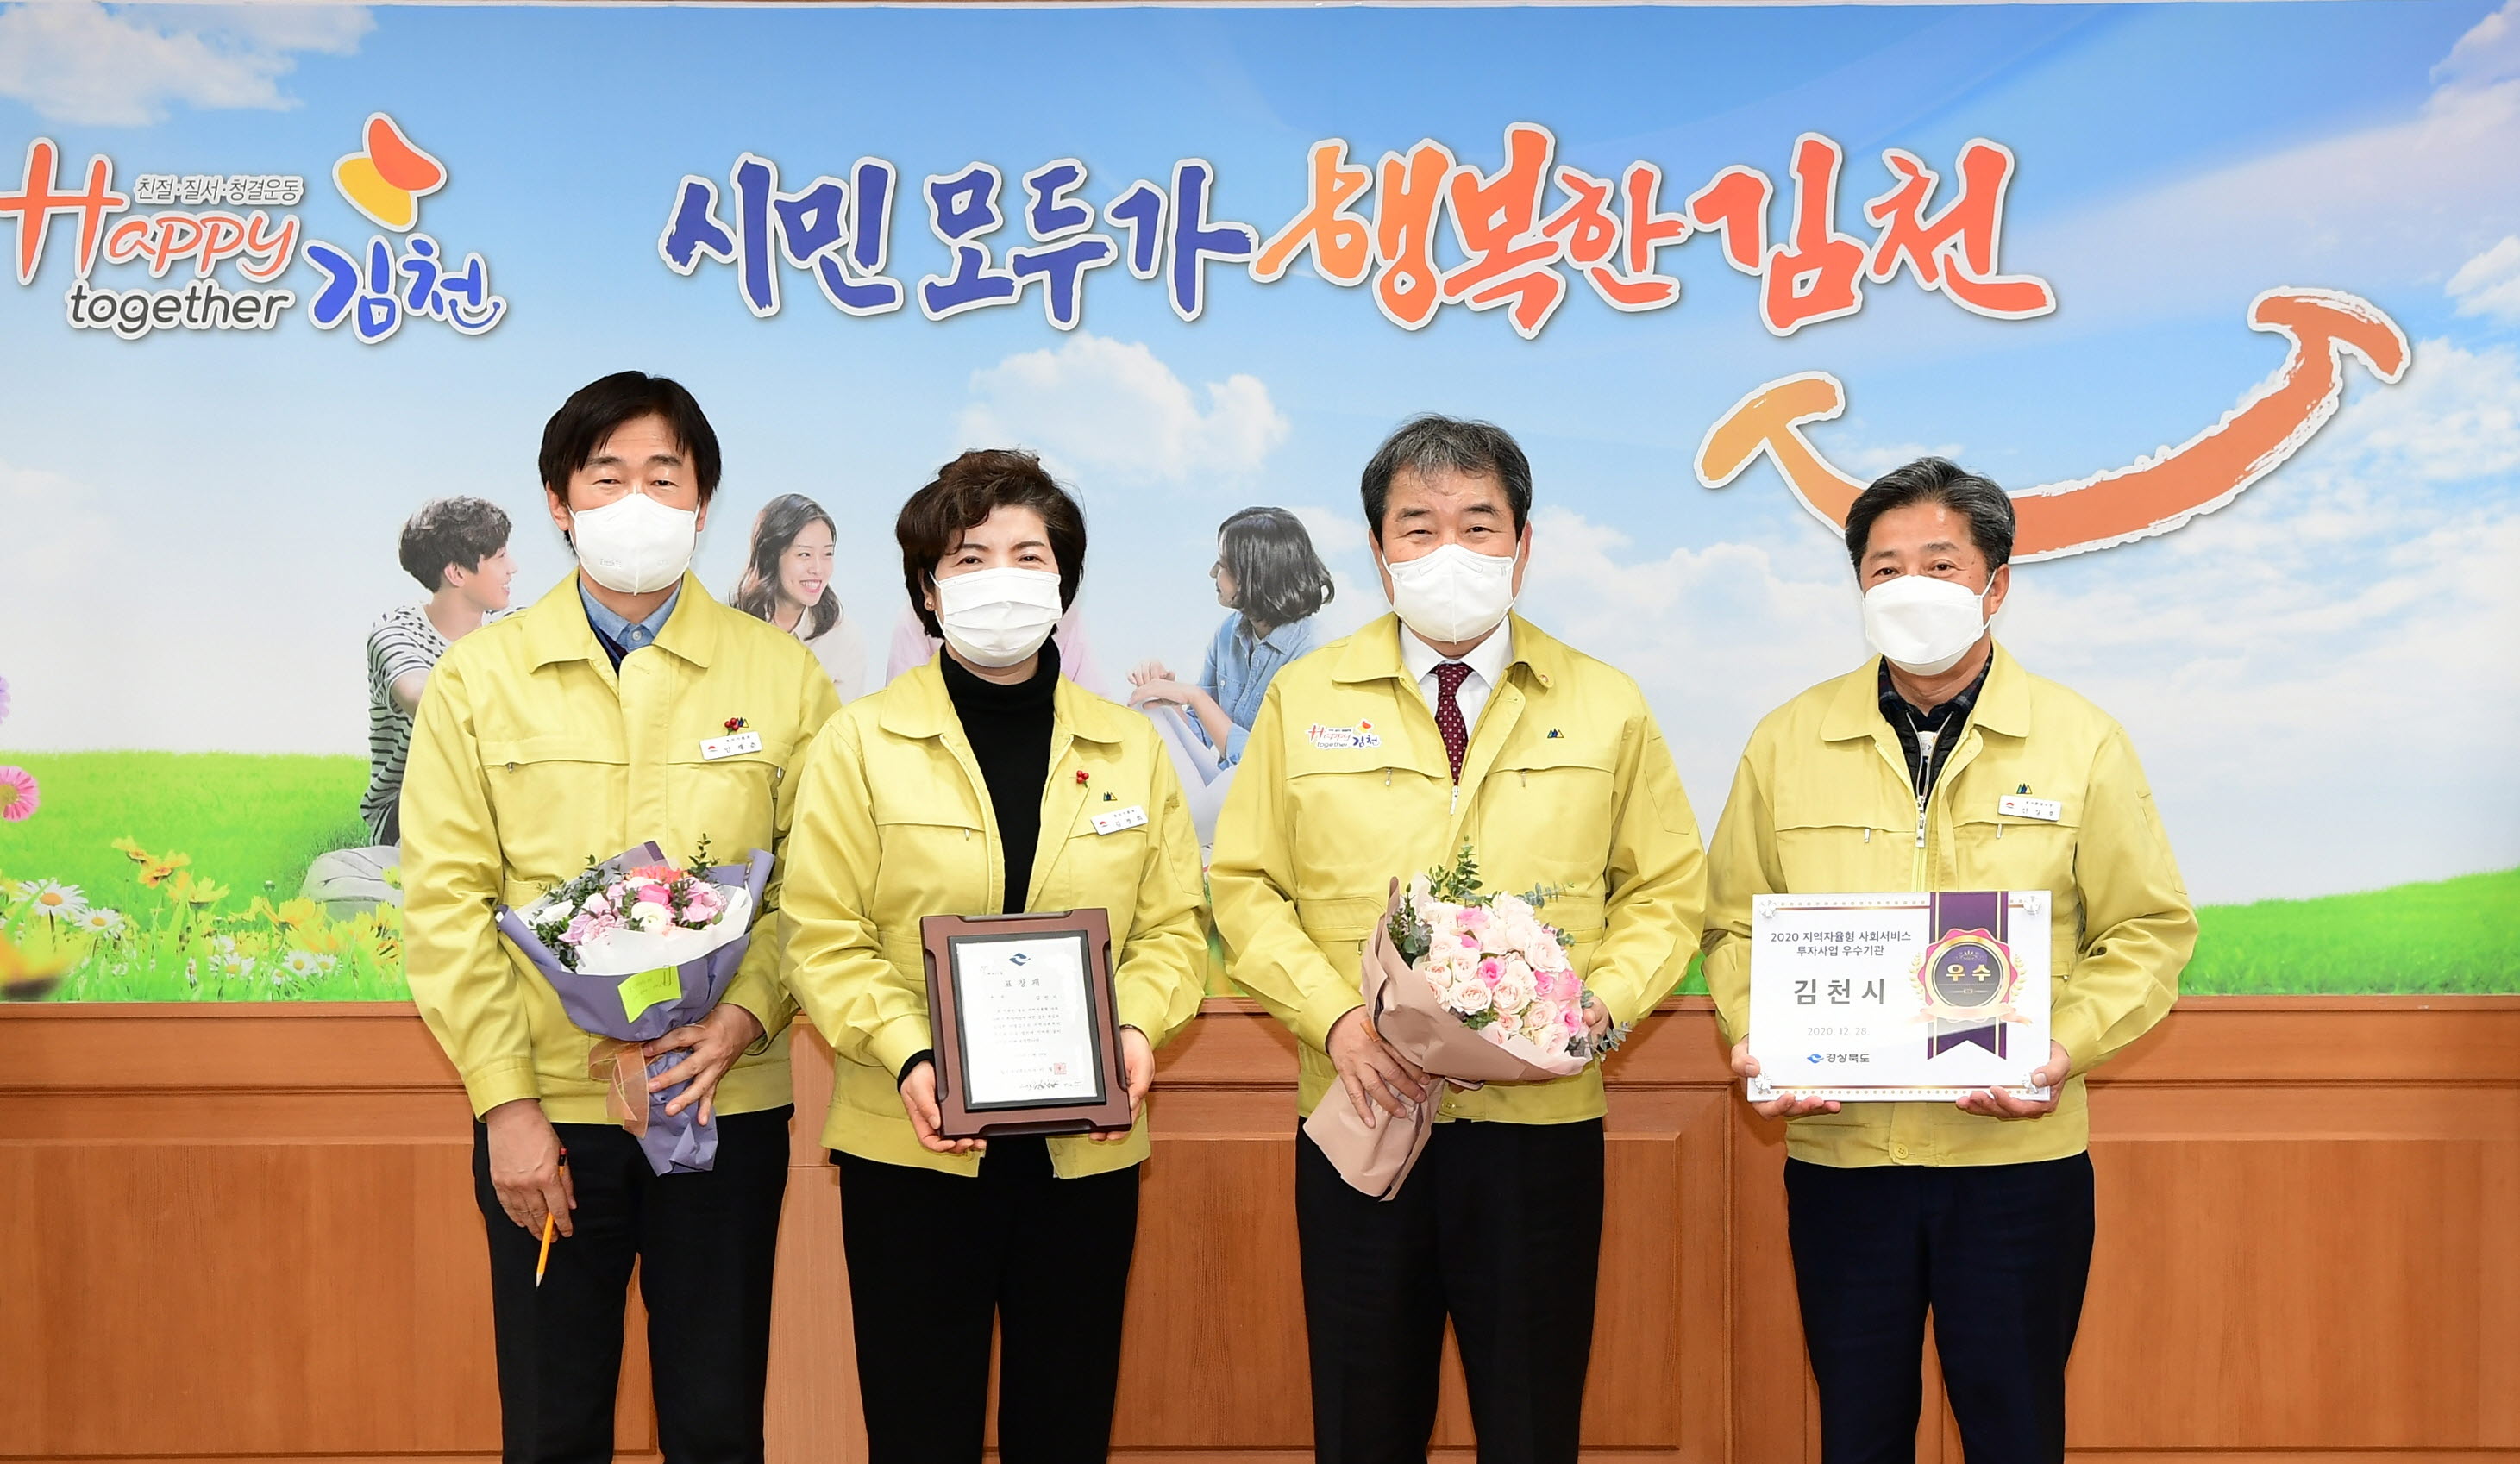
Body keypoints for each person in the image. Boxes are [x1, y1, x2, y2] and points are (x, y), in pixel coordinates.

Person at [1208, 415, 1706, 1464]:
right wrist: (1337, 1023)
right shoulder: (1305, 696)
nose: (1449, 551)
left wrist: (1595, 1011)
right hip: (1361, 1112)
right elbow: (1245, 888)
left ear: (1523, 546)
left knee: (1531, 1424)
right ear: (1377, 548)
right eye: (1418, 526)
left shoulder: (1604, 702)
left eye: (1478, 525)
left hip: (1538, 1128)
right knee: (1364, 1422)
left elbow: (1664, 892)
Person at [1702, 457, 2196, 1464]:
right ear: (1857, 586)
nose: (1911, 587)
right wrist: (1762, 1035)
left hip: (2014, 1165)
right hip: (1844, 1159)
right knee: (1858, 1433)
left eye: (1940, 563)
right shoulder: (1787, 741)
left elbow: (2147, 930)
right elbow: (1733, 926)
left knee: (2015, 1433)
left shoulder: (2080, 742)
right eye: (1885, 568)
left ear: (1995, 585)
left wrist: (2059, 1047)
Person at [400, 372, 841, 1464]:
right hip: (550, 1113)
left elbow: (818, 891)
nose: (636, 500)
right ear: (559, 502)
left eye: (663, 477)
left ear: (703, 504)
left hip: (723, 1103)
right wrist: (505, 1104)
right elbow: (448, 904)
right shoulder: (479, 678)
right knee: (553, 1425)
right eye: (607, 478)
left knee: (715, 1421)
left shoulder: (784, 676)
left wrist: (744, 1016)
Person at [781, 447, 1207, 1464]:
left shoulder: (1130, 746)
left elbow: (1172, 931)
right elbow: (821, 935)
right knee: (919, 1428)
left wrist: (1136, 1029)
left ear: (1062, 582)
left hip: (1085, 1149)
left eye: (1029, 555)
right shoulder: (860, 743)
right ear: (927, 591)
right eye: (970, 559)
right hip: (912, 1143)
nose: (1002, 580)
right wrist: (911, 1055)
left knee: (1065, 1426)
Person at [1127, 505, 1335, 845]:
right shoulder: (1229, 632)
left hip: (1271, 797)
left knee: (1233, 780)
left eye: (1223, 565)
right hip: (1225, 789)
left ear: (1256, 575)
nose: (1213, 572)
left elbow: (1270, 765)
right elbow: (1202, 733)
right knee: (1147, 706)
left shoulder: (1315, 651)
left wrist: (1194, 696)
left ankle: (1179, 834)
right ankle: (1184, 829)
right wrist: (1168, 697)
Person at [361, 497, 515, 845]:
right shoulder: (396, 632)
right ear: (457, 573)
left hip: (502, 789)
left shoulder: (512, 625)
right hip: (410, 805)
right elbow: (422, 698)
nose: (513, 568)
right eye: (500, 557)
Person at [730, 491, 866, 704]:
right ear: (771, 557)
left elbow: (842, 721)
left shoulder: (843, 638)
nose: (818, 569)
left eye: (827, 554)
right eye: (804, 554)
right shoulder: (729, 625)